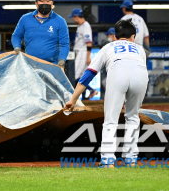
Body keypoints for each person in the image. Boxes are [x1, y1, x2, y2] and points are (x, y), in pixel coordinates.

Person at [63, 19, 148, 167]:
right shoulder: (140, 49)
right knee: (133, 117)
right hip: (140, 77)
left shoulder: (109, 47)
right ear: (133, 37)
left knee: (111, 120)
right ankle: (131, 159)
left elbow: (89, 74)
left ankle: (108, 160)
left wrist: (73, 99)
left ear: (115, 37)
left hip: (118, 74)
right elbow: (136, 70)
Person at [11, 0, 71, 69]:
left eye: (47, 1)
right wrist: (17, 48)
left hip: (52, 66)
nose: (45, 4)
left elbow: (64, 44)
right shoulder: (25, 19)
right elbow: (16, 36)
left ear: (52, 3)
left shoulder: (60, 21)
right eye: (42, 1)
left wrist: (62, 61)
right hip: (30, 66)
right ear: (36, 3)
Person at [70, 8, 98, 100]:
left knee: (76, 76)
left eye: (74, 17)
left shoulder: (85, 26)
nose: (73, 19)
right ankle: (84, 96)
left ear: (76, 17)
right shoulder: (81, 26)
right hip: (79, 53)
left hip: (82, 53)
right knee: (81, 77)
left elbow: (89, 42)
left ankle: (91, 90)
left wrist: (88, 56)